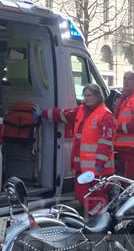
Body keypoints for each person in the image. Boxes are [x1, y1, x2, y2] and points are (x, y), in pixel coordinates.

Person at [33, 84, 115, 214]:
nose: (86, 98)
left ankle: (102, 219)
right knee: (83, 195)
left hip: (98, 169)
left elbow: (105, 143)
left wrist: (100, 165)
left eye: (89, 95)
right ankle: (99, 217)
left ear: (98, 96)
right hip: (82, 167)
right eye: (85, 95)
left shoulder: (105, 116)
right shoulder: (81, 111)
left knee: (94, 196)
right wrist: (43, 113)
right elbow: (62, 114)